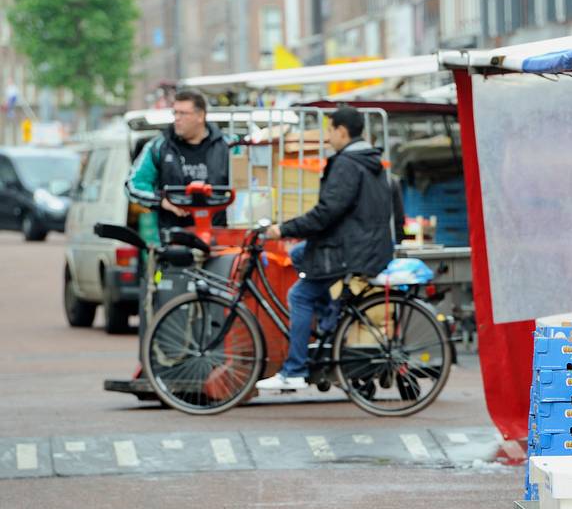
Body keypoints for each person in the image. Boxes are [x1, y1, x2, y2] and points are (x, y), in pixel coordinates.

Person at [256, 106, 394, 391]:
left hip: (349, 249)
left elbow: (327, 211)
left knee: (300, 296)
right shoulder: (372, 161)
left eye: (330, 130)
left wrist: (284, 229)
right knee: (297, 254)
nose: (328, 136)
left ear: (342, 131)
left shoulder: (346, 163)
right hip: (366, 244)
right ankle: (330, 317)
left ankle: (294, 369)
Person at [125, 89, 232, 237]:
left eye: (183, 113)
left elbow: (246, 186)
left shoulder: (228, 146)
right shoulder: (159, 146)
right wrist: (162, 201)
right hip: (174, 241)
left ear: (200, 116)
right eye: (175, 113)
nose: (177, 118)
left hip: (218, 239)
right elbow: (133, 185)